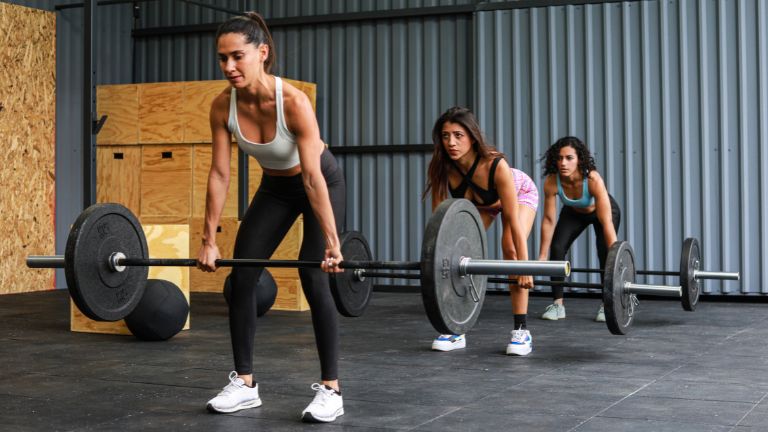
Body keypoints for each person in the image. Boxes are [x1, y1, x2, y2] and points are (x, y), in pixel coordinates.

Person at [197, 12, 346, 423]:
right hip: (276, 189)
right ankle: (244, 384)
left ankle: (331, 390)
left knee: (313, 274)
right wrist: (208, 239)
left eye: (237, 56)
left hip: (320, 180)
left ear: (261, 53)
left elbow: (314, 178)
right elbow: (220, 173)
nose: (229, 67)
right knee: (242, 274)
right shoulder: (221, 106)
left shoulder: (294, 102)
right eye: (222, 58)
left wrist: (334, 244)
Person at [424, 107, 537, 356]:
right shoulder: (443, 167)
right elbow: (440, 224)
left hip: (519, 195)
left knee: (510, 247)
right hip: (484, 205)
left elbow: (513, 223)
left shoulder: (496, 165)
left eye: (458, 135)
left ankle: (521, 332)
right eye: (445, 136)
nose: (451, 142)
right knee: (453, 252)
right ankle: (454, 328)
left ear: (472, 136)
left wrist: (526, 266)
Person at [537, 136, 621, 322]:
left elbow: (606, 220)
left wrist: (616, 255)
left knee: (605, 253)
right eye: (559, 158)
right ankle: (558, 305)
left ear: (579, 159)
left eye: (569, 158)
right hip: (573, 212)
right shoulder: (552, 181)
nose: (563, 163)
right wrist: (542, 255)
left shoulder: (592, 178)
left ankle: (607, 304)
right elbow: (549, 220)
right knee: (557, 248)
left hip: (602, 212)